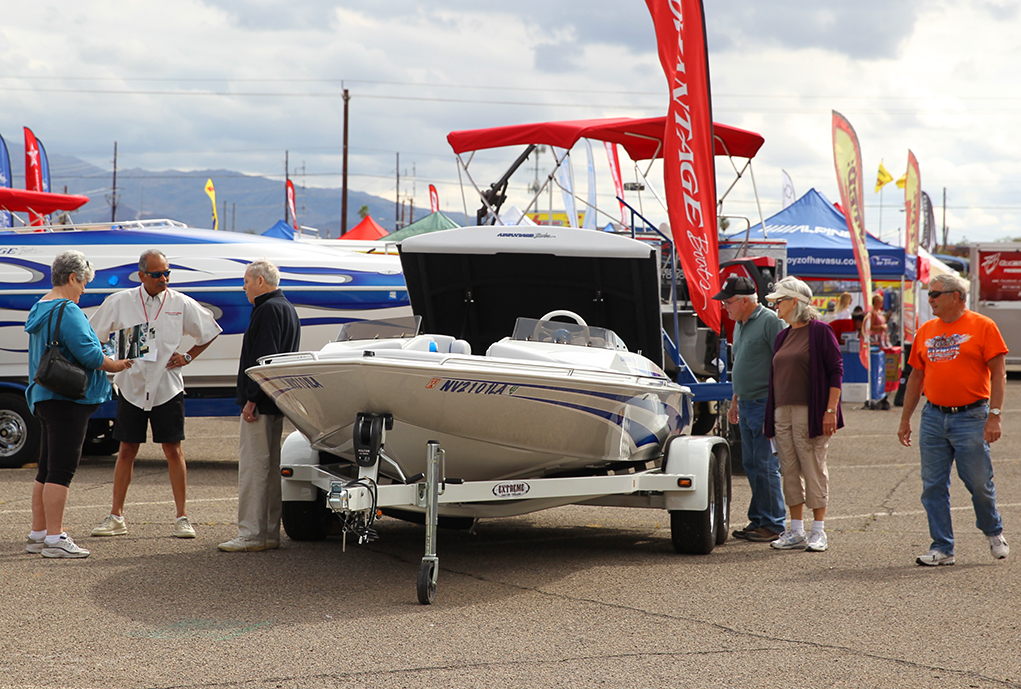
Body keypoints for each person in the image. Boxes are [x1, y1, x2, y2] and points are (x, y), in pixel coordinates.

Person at [89, 249, 221, 539]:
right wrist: (112, 358)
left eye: (167, 273)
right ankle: (116, 517)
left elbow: (210, 331)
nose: (164, 279)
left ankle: (182, 517)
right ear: (141, 275)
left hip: (167, 386)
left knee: (173, 450)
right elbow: (94, 335)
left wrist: (188, 357)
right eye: (157, 274)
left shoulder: (181, 302)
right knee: (126, 450)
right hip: (132, 386)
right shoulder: (120, 301)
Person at [24, 251, 133, 558]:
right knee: (62, 470)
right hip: (68, 399)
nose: (85, 289)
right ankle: (56, 538)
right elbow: (89, 356)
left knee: (46, 469)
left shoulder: (39, 307)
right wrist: (116, 363)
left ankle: (39, 534)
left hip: (44, 395)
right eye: (84, 282)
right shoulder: (68, 310)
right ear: (73, 277)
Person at [897, 272, 1009, 566]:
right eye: (929, 294)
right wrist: (905, 418)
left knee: (978, 482)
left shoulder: (983, 326)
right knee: (932, 485)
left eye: (935, 294)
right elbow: (916, 376)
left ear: (956, 296)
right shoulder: (926, 330)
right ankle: (942, 547)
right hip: (934, 416)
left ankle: (993, 530)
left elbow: (999, 374)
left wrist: (994, 416)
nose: (930, 299)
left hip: (971, 416)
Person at [218, 259, 300, 552]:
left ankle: (251, 534)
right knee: (270, 468)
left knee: (254, 469)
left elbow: (264, 359)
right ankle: (267, 533)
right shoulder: (287, 308)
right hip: (277, 400)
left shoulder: (266, 310)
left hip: (261, 402)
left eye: (246, 281)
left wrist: (252, 398)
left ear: (260, 282)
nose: (244, 287)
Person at [764, 276, 844, 552]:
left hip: (810, 411)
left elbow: (836, 371)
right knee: (788, 469)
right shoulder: (782, 335)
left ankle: (818, 531)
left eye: (779, 301)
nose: (775, 305)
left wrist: (830, 410)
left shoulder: (820, 331)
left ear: (794, 302)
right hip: (781, 411)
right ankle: (796, 530)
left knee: (812, 467)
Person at [714, 275, 786, 542]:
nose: (725, 307)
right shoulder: (740, 324)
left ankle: (773, 524)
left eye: (729, 302)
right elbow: (741, 365)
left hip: (765, 403)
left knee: (765, 464)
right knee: (752, 464)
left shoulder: (770, 321)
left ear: (745, 301)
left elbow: (783, 363)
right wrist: (735, 400)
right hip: (747, 403)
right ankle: (759, 519)